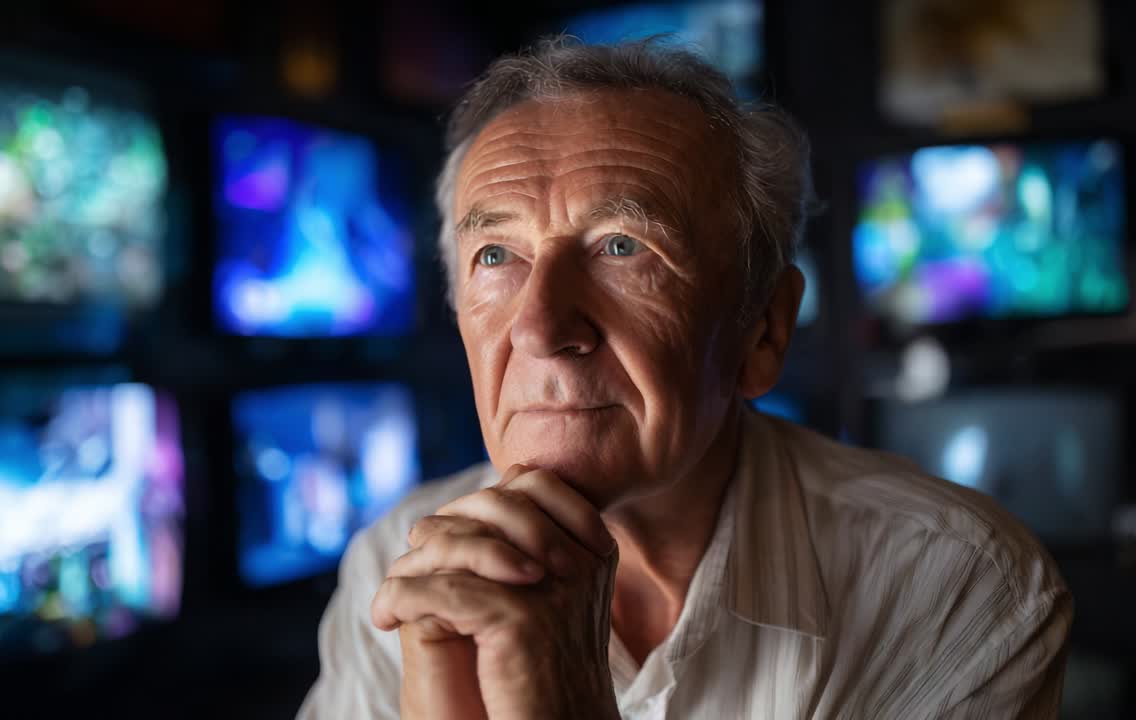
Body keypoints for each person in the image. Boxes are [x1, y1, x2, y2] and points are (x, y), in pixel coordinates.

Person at [298, 37, 1072, 719]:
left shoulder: (959, 582)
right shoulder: (394, 565)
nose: (539, 329)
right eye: (495, 256)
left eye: (622, 247)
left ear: (761, 330)